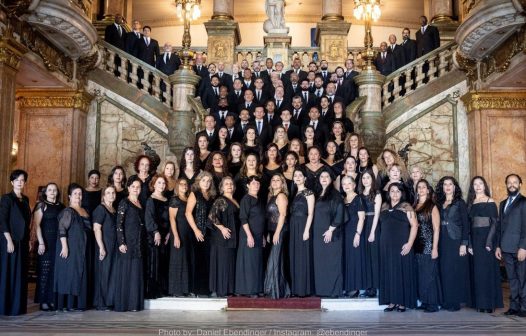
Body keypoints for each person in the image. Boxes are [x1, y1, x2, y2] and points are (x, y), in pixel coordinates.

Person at [379, 183, 418, 312]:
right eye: (392, 191)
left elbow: (415, 226)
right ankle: (391, 301)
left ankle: (402, 302)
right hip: (386, 245)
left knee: (401, 272)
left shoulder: (406, 206)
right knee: (388, 272)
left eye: (397, 191)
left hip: (402, 244)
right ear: (388, 193)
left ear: (402, 193)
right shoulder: (384, 206)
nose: (395, 194)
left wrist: (410, 243)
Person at [467, 176, 503, 313]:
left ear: (484, 185)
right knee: (477, 272)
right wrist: (469, 244)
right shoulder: (471, 203)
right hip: (475, 240)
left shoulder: (490, 201)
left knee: (487, 272)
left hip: (487, 239)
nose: (478, 186)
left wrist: (489, 242)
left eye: (480, 183)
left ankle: (489, 304)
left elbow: (495, 224)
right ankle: (479, 303)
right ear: (472, 187)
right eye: (475, 184)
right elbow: (469, 226)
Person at [435, 176, 471, 311]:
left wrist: (464, 243)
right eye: (445, 184)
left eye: (450, 184)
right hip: (441, 239)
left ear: (454, 187)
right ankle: (445, 299)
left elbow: (466, 224)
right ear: (442, 187)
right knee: (443, 270)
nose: (448, 186)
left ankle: (454, 301)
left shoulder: (460, 203)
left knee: (454, 271)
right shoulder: (438, 202)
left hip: (455, 240)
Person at [54, 183, 91, 312]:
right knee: (70, 274)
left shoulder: (85, 210)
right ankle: (68, 304)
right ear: (69, 196)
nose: (78, 196)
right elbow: (62, 229)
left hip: (83, 247)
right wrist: (65, 247)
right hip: (72, 247)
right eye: (75, 193)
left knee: (80, 273)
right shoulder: (68, 211)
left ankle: (79, 304)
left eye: (80, 194)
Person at [0, 170, 31, 316]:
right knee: (9, 272)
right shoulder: (6, 198)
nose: (20, 182)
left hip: (23, 241)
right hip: (10, 241)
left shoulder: (25, 199)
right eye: (17, 179)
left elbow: (27, 221)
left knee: (20, 273)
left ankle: (18, 307)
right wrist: (8, 240)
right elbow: (2, 220)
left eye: (22, 180)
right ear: (12, 182)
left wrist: (29, 239)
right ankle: (6, 307)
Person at [113, 176, 145, 312]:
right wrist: (121, 242)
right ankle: (124, 304)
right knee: (126, 272)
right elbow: (119, 224)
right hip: (127, 242)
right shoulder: (124, 202)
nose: (136, 189)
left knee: (135, 272)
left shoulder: (140, 203)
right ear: (128, 188)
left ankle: (134, 304)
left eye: (138, 187)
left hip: (138, 242)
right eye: (133, 187)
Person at [496, 173, 526, 317]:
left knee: (523, 279)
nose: (512, 185)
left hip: (520, 249)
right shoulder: (502, 203)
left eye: (515, 182)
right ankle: (514, 307)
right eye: (509, 182)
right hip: (506, 248)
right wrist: (498, 246)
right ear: (506, 184)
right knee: (512, 279)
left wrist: (524, 247)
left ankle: (524, 308)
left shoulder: (524, 202)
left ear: (520, 184)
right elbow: (500, 226)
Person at [33, 182, 64, 311]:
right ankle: (43, 301)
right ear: (45, 192)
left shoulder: (61, 206)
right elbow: (37, 225)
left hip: (57, 242)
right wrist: (40, 242)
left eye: (54, 190)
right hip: (45, 242)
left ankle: (51, 299)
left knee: (54, 271)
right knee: (44, 271)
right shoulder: (41, 205)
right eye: (50, 190)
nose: (52, 192)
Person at [312, 171, 344, 297]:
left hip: (330, 232)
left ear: (331, 179)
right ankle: (322, 290)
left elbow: (340, 212)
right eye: (322, 176)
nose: (324, 178)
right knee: (321, 262)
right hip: (318, 233)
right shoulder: (318, 193)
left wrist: (331, 229)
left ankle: (333, 291)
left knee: (332, 262)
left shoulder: (335, 194)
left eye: (327, 176)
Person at [185, 171, 216, 297]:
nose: (206, 183)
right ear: (199, 181)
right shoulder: (195, 194)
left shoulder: (212, 196)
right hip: (198, 232)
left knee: (208, 261)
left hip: (210, 233)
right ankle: (198, 290)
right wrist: (196, 230)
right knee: (199, 261)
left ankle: (207, 289)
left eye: (209, 181)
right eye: (204, 180)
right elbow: (188, 213)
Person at [208, 177, 239, 298]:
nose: (229, 185)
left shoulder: (235, 200)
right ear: (221, 187)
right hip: (221, 238)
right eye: (226, 184)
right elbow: (212, 216)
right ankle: (220, 290)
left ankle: (228, 289)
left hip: (232, 237)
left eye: (231, 183)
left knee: (229, 263)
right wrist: (222, 228)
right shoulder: (220, 200)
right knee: (222, 263)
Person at [414, 179, 441, 313]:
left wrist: (435, 247)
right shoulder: (414, 206)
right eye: (419, 187)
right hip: (417, 244)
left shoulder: (432, 206)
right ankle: (424, 301)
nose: (421, 189)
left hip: (428, 244)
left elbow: (436, 228)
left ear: (428, 190)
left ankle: (433, 304)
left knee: (429, 275)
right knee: (420, 275)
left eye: (423, 187)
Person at [236, 176, 266, 297]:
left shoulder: (259, 199)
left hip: (258, 236)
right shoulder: (246, 199)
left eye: (258, 183)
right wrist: (249, 235)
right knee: (249, 263)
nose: (256, 185)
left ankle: (256, 288)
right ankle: (248, 290)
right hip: (248, 235)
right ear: (248, 185)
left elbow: (261, 219)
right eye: (253, 183)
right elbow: (243, 218)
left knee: (256, 263)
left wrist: (263, 236)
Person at [288, 167, 314, 297]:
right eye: (295, 175)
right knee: (295, 256)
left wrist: (306, 230)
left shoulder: (309, 193)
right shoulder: (294, 194)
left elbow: (310, 213)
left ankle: (304, 290)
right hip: (293, 226)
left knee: (302, 256)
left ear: (305, 178)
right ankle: (296, 289)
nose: (297, 177)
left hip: (303, 225)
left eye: (300, 175)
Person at [264, 174, 291, 299]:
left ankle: (277, 291)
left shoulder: (281, 196)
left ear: (282, 183)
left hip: (280, 231)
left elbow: (283, 215)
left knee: (275, 260)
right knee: (275, 260)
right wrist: (270, 233)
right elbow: (270, 217)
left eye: (278, 180)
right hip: (274, 231)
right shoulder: (271, 196)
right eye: (273, 180)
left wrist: (277, 232)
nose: (275, 182)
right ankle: (276, 289)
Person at [144, 174, 170, 299]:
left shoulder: (167, 200)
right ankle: (153, 291)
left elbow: (171, 218)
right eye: (159, 183)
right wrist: (156, 232)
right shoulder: (150, 199)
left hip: (166, 235)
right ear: (154, 184)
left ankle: (163, 289)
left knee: (163, 262)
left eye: (163, 183)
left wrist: (169, 233)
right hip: (154, 235)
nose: (161, 185)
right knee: (154, 262)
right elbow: (149, 218)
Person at [92, 186, 117, 311]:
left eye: (113, 193)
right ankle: (100, 302)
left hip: (113, 246)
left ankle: (109, 301)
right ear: (103, 196)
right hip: (104, 245)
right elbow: (96, 228)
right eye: (108, 193)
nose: (111, 195)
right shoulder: (100, 209)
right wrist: (101, 247)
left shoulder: (113, 209)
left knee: (111, 273)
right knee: (103, 272)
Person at [358, 169, 382, 297]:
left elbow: (377, 214)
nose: (365, 180)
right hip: (363, 224)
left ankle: (375, 286)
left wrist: (372, 232)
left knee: (373, 256)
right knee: (365, 256)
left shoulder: (376, 193)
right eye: (363, 178)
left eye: (368, 177)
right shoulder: (360, 194)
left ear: (372, 179)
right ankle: (368, 286)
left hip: (373, 224)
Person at [341, 176, 366, 297]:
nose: (346, 186)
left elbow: (362, 217)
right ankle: (347, 286)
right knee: (347, 259)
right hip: (344, 233)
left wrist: (358, 234)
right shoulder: (343, 199)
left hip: (354, 232)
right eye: (344, 184)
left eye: (349, 183)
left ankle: (355, 287)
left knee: (354, 259)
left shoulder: (358, 198)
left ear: (354, 185)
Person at [168, 178, 193, 297]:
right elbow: (172, 218)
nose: (184, 186)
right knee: (178, 260)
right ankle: (176, 290)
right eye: (181, 184)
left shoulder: (189, 199)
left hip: (188, 233)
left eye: (186, 184)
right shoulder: (175, 199)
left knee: (186, 259)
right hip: (178, 232)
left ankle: (185, 289)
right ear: (177, 186)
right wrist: (176, 236)